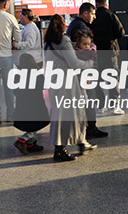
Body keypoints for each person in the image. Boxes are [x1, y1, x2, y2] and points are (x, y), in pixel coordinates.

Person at [45, 14, 96, 162]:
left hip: (55, 82)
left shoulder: (47, 42)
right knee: (69, 116)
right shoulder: (64, 40)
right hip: (66, 83)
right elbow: (74, 63)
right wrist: (89, 64)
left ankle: (74, 143)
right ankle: (60, 150)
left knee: (59, 115)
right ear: (63, 26)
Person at [65, 2, 107, 139]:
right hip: (83, 71)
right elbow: (83, 50)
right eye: (93, 14)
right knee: (90, 98)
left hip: (79, 71)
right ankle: (90, 128)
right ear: (85, 13)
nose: (94, 17)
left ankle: (87, 126)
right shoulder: (81, 27)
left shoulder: (75, 24)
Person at [90, 0, 126, 115]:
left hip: (96, 52)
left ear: (96, 3)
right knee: (113, 78)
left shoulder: (93, 17)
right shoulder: (111, 16)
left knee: (97, 78)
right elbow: (121, 32)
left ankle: (101, 106)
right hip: (111, 51)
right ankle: (114, 105)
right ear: (106, 3)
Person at [12, 53, 49, 155]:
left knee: (32, 125)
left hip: (21, 111)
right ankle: (22, 140)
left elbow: (14, 91)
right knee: (40, 123)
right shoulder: (38, 75)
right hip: (36, 109)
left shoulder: (17, 76)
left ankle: (30, 144)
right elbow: (45, 86)